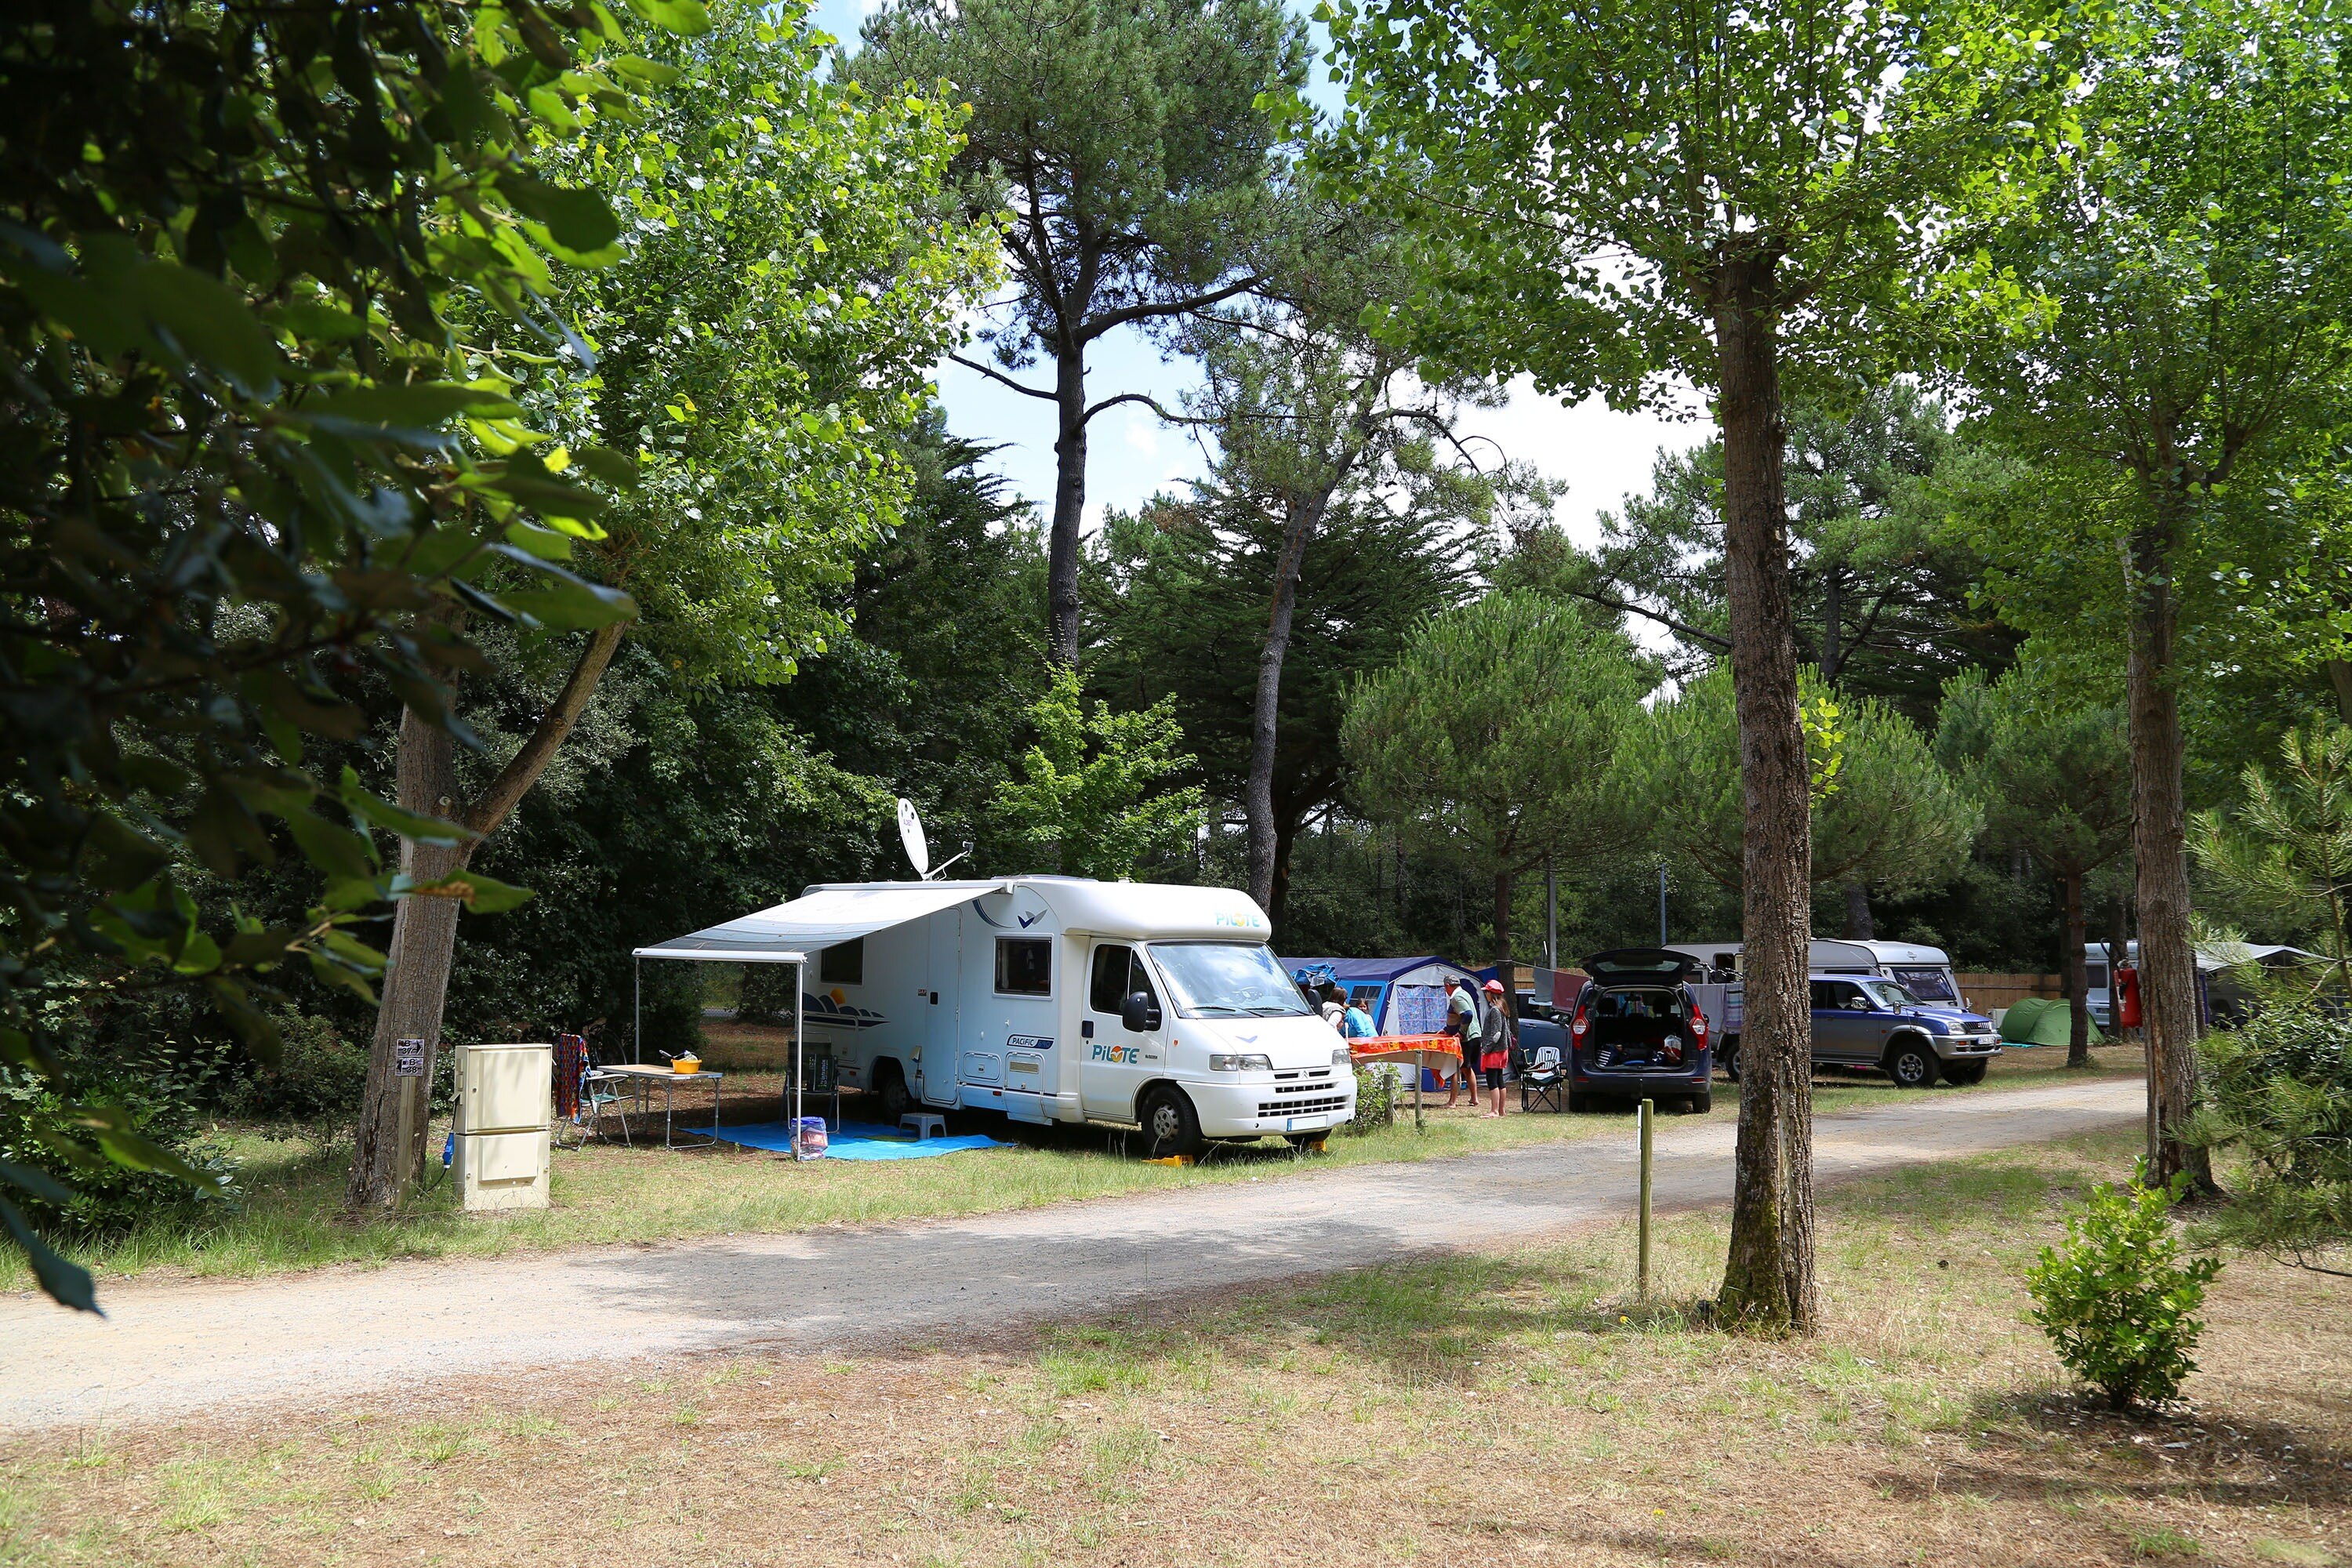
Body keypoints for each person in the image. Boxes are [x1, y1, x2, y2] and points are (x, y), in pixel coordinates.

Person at [1442, 975, 1480, 1108]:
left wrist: (1460, 1033)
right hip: (1475, 1035)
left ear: (1447, 986)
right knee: (1466, 1068)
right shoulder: (1465, 994)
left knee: (1455, 1068)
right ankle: (1474, 1099)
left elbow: (1467, 1015)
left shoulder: (1457, 998)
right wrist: (1447, 1029)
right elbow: (1457, 1017)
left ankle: (1452, 1102)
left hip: (1467, 1038)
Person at [1478, 978, 1513, 1117]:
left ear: (1491, 994)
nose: (1485, 994)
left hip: (1495, 1051)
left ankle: (1494, 1110)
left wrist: (1486, 1049)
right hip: (1502, 1050)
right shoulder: (1502, 1008)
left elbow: (1496, 1034)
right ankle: (1501, 1110)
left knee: (1492, 1080)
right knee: (1500, 1079)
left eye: (1486, 992)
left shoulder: (1495, 1011)